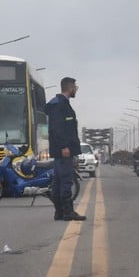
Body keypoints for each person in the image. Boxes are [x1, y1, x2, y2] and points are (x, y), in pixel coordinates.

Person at [44, 77, 85, 221]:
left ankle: (59, 212)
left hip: (61, 150)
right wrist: (64, 146)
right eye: (75, 87)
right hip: (63, 150)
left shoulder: (61, 104)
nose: (76, 90)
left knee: (58, 182)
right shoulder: (60, 105)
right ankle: (67, 212)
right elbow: (57, 129)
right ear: (70, 87)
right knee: (66, 180)